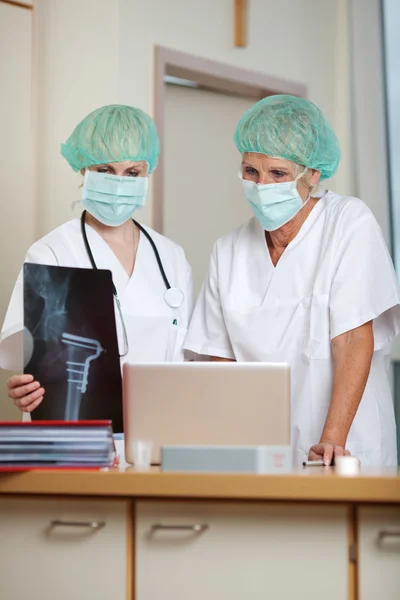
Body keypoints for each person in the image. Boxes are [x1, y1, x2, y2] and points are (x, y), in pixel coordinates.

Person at [184, 94, 400, 467]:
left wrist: (331, 440)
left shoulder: (348, 223)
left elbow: (353, 339)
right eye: (251, 171)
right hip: (259, 452)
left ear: (312, 174)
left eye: (278, 173)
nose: (261, 185)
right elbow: (220, 359)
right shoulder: (229, 249)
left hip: (345, 446)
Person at [2, 104, 193, 414]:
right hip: (74, 436)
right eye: (105, 170)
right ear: (84, 169)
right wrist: (26, 388)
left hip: (158, 431)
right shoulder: (52, 252)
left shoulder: (171, 258)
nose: (119, 183)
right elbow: (23, 352)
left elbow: (188, 362)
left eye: (132, 173)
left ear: (148, 173)